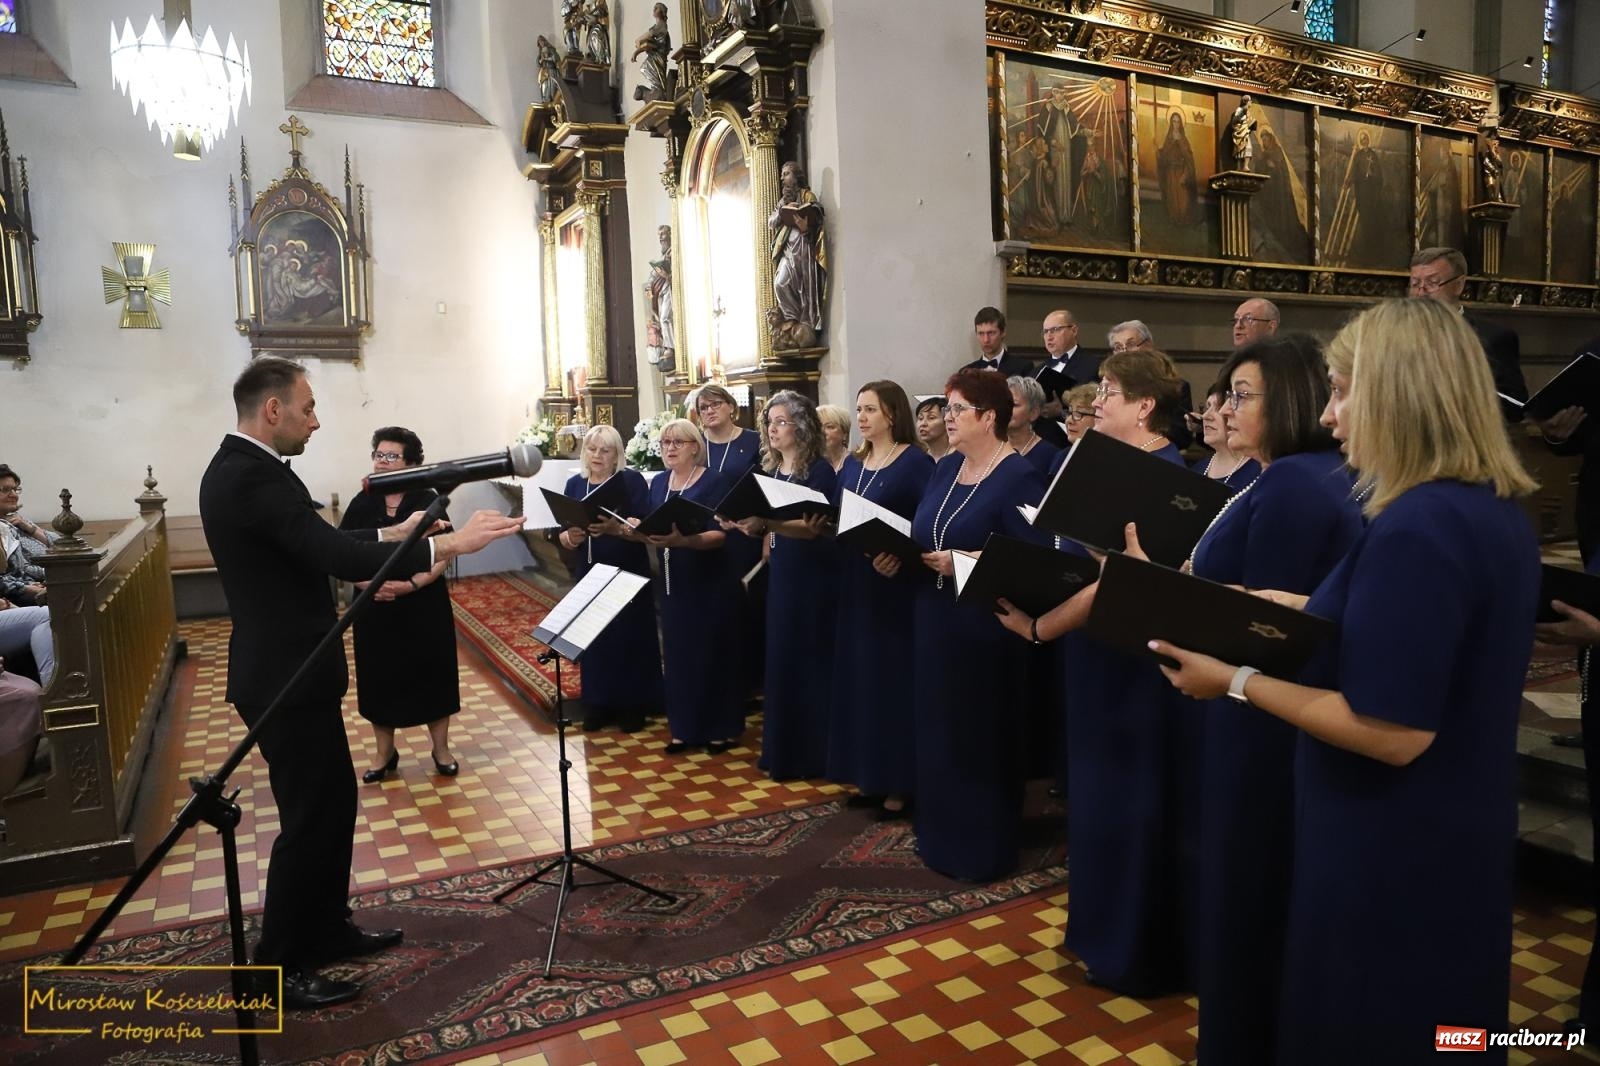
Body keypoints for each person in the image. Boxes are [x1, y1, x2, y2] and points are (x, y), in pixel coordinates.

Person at [1154, 298, 1539, 1063]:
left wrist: (1233, 682)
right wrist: (1294, 604)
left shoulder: (1416, 526)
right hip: (1457, 823)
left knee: (1372, 1025)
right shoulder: (1487, 509)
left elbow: (1392, 733)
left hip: (1388, 836)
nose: (1328, 417)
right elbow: (1422, 635)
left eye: (1339, 390)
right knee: (1447, 1027)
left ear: (1398, 392)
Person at [199, 357, 522, 1010]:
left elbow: (321, 543)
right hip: (282, 676)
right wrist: (451, 546)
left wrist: (399, 531)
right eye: (308, 408)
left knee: (334, 804)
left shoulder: (251, 471)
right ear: (272, 409)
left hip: (296, 670)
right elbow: (339, 557)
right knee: (308, 819)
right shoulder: (246, 478)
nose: (315, 422)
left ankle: (327, 929)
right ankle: (283, 966)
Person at [1176, 336, 1364, 1065]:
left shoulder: (1290, 482)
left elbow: (1264, 625)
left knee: (1249, 878)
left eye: (1242, 394)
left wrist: (1166, 595)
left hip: (1258, 711)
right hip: (1267, 705)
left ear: (1288, 398)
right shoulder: (1286, 475)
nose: (1224, 406)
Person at [996, 348, 1191, 996]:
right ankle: (1098, 932)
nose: (1096, 400)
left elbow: (1119, 583)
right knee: (1098, 803)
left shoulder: (1164, 475)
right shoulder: (1109, 465)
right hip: (1096, 657)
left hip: (1134, 661)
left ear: (1144, 405)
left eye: (1108, 390)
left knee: (1133, 805)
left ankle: (1134, 949)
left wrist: (1037, 628)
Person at [878, 368, 1044, 881]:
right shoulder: (945, 468)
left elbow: (1034, 562)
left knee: (978, 737)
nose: (945, 419)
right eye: (945, 409)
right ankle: (940, 836)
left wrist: (967, 559)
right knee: (937, 730)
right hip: (933, 618)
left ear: (988, 416)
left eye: (956, 410)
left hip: (985, 627)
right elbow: (925, 531)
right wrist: (899, 556)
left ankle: (981, 848)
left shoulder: (1021, 476)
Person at [827, 381, 932, 818]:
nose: (863, 417)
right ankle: (867, 774)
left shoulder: (915, 462)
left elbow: (925, 526)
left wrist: (901, 560)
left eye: (870, 409)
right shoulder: (855, 463)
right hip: (857, 581)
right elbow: (840, 515)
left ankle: (901, 781)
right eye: (859, 409)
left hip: (895, 582)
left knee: (891, 683)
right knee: (861, 679)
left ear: (892, 413)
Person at [339, 427, 462, 782]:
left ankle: (441, 749)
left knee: (433, 674)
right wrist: (370, 584)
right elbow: (344, 552)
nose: (381, 462)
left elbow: (446, 550)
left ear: (411, 463)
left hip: (424, 603)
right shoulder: (362, 501)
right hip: (374, 605)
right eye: (378, 454)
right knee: (379, 677)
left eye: (391, 456)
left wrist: (412, 584)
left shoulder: (428, 497)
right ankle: (384, 753)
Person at [726, 391, 837, 780]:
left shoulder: (819, 471)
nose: (773, 429)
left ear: (802, 426)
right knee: (782, 659)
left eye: (781, 422)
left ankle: (810, 754)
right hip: (783, 572)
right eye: (769, 422)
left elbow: (812, 529)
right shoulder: (774, 471)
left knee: (808, 659)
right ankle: (782, 750)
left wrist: (766, 524)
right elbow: (771, 523)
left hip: (812, 576)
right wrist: (745, 523)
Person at [620, 419, 739, 752]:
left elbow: (720, 534)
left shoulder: (714, 481)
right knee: (678, 654)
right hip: (672, 582)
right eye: (664, 443)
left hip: (709, 578)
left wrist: (683, 541)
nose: (669, 448)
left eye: (677, 442)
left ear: (694, 447)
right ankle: (683, 728)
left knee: (710, 653)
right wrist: (634, 528)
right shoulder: (658, 482)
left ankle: (719, 728)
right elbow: (649, 528)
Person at [557, 425, 662, 734]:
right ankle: (598, 703)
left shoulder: (630, 481)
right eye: (592, 449)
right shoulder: (574, 485)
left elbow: (645, 524)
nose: (597, 455)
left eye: (605, 450)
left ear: (617, 454)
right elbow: (563, 531)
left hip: (626, 568)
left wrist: (622, 527)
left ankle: (633, 705)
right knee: (594, 637)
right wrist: (569, 536)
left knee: (628, 637)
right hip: (589, 570)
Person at [1409, 246, 1528, 412]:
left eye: (1432, 283)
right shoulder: (1393, 334)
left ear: (1458, 285)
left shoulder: (1494, 338)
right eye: (1415, 284)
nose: (1421, 293)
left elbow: (1514, 407)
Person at [1107, 320, 1193, 450]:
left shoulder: (1175, 387)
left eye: (1130, 344)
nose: (1124, 352)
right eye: (1118, 347)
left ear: (1148, 346)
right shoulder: (1107, 388)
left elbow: (1181, 436)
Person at [0, 466, 57, 607]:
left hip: (41, 582)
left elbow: (63, 545)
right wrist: (57, 574)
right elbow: (22, 568)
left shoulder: (18, 521)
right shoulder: (3, 529)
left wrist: (31, 529)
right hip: (21, 595)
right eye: (6, 490)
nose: (14, 494)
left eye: (15, 489)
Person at [1191, 381, 1260, 491]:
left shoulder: (1260, 472)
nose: (1206, 416)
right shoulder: (1197, 469)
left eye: (1218, 408)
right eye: (1207, 406)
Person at [1006, 375, 1060, 476]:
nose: (1005, 408)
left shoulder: (1050, 455)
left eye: (1014, 405)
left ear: (1033, 413)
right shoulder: (989, 446)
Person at [1158, 110, 1199, 226]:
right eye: (1173, 121)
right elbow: (1165, 155)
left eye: (1177, 121)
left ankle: (1183, 220)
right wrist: (1159, 152)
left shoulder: (1184, 140)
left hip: (1181, 172)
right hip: (1170, 173)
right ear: (1171, 123)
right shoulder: (1169, 138)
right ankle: (1173, 220)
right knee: (1172, 199)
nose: (1175, 124)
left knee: (1182, 200)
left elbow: (1189, 159)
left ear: (1180, 124)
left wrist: (1185, 174)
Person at [963, 306, 1028, 375]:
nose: (986, 340)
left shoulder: (1022, 368)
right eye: (981, 333)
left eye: (991, 333)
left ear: (1003, 332)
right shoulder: (966, 372)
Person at [817, 404, 852, 474]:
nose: (822, 432)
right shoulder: (809, 466)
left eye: (829, 427)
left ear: (845, 434)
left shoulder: (856, 463)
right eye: (818, 426)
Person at [915, 395, 951, 459]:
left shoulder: (961, 456)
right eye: (920, 418)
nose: (923, 423)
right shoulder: (919, 458)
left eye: (931, 418)